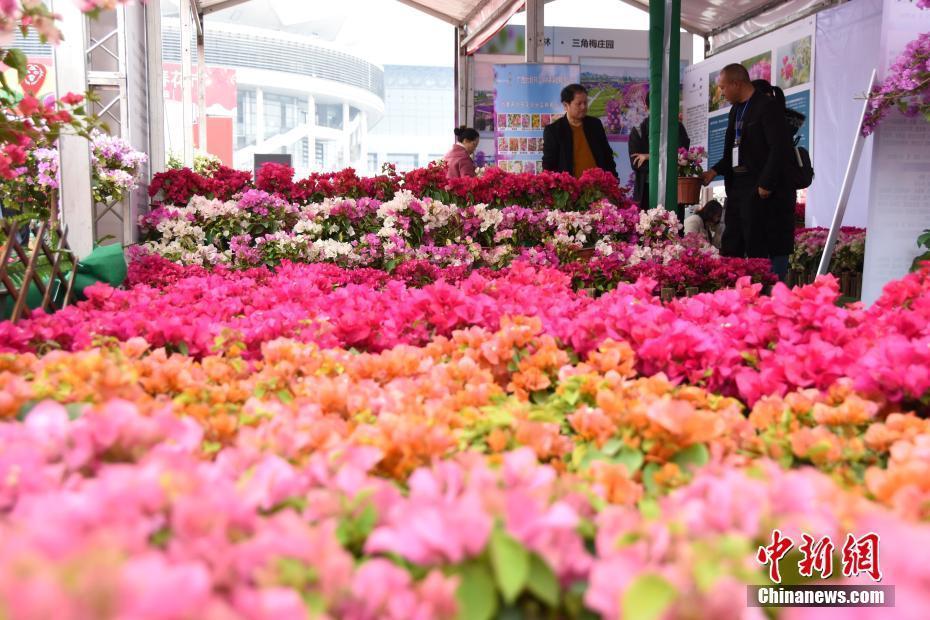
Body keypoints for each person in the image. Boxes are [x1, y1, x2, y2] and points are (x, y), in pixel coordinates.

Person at [701, 64, 795, 281]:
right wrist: (714, 171)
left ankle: (759, 291)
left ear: (737, 83)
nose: (721, 93)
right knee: (731, 239)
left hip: (758, 185)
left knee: (756, 241)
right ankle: (730, 286)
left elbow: (779, 148)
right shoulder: (735, 111)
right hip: (737, 185)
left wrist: (766, 183)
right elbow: (731, 151)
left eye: (723, 88)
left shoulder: (767, 107)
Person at [542, 84, 618, 179]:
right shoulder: (554, 131)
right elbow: (549, 165)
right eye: (579, 104)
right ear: (566, 105)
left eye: (585, 103)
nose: (583, 107)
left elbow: (607, 155)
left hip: (598, 187)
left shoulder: (595, 124)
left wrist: (614, 178)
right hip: (571, 189)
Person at [627, 97, 691, 209]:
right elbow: (637, 164)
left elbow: (682, 157)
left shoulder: (677, 128)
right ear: (647, 108)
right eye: (655, 108)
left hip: (672, 190)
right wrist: (667, 161)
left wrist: (650, 157)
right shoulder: (637, 131)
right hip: (646, 192)